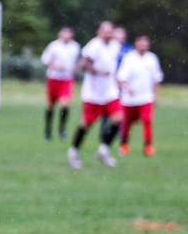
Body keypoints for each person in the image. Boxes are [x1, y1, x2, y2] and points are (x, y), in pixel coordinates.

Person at [67, 20, 122, 169]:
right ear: (99, 32)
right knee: (86, 124)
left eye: (110, 31)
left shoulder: (115, 46)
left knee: (118, 118)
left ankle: (103, 150)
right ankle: (73, 151)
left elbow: (112, 66)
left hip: (109, 90)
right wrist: (97, 71)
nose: (108, 34)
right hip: (93, 92)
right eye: (105, 31)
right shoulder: (94, 45)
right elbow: (84, 63)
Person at [116, 34, 163, 157]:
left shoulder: (152, 59)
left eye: (145, 44)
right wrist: (128, 88)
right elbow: (121, 77)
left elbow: (156, 79)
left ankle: (148, 146)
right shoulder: (129, 58)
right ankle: (124, 144)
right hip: (129, 99)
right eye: (141, 44)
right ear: (136, 44)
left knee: (147, 120)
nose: (143, 46)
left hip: (146, 97)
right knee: (127, 123)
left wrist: (156, 96)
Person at [39, 26, 80, 141]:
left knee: (65, 104)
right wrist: (56, 66)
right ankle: (48, 130)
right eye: (64, 33)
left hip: (66, 79)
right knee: (50, 105)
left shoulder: (75, 47)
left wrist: (76, 68)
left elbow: (79, 61)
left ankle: (61, 129)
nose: (66, 36)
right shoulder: (54, 46)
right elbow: (45, 60)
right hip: (53, 78)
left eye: (69, 34)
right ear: (60, 34)